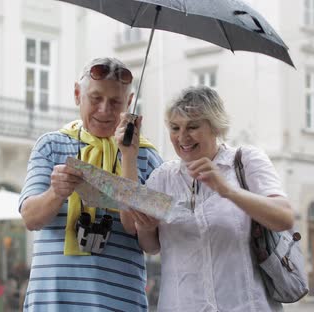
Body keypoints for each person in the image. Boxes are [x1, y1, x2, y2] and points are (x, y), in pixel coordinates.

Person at [122, 86, 294, 311]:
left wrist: (228, 190)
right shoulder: (163, 177)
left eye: (193, 127)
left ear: (214, 127)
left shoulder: (246, 161)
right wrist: (146, 228)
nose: (182, 137)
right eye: (175, 128)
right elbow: (151, 247)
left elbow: (285, 217)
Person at [19, 57, 163, 311]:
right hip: (52, 304)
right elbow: (31, 219)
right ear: (78, 94)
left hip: (118, 304)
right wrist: (56, 192)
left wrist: (129, 157)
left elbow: (150, 244)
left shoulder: (147, 157)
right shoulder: (50, 145)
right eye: (95, 98)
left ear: (129, 103)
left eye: (116, 102)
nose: (105, 110)